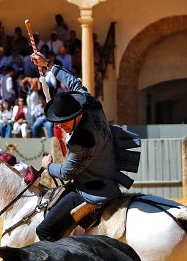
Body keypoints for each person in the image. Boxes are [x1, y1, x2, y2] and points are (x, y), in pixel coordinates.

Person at [30, 51, 121, 242]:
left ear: (75, 116)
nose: (60, 126)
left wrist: (47, 165)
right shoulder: (91, 104)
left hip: (92, 191)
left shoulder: (82, 140)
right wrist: (47, 65)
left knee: (44, 231)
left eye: (63, 122)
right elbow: (74, 82)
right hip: (108, 174)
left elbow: (65, 173)